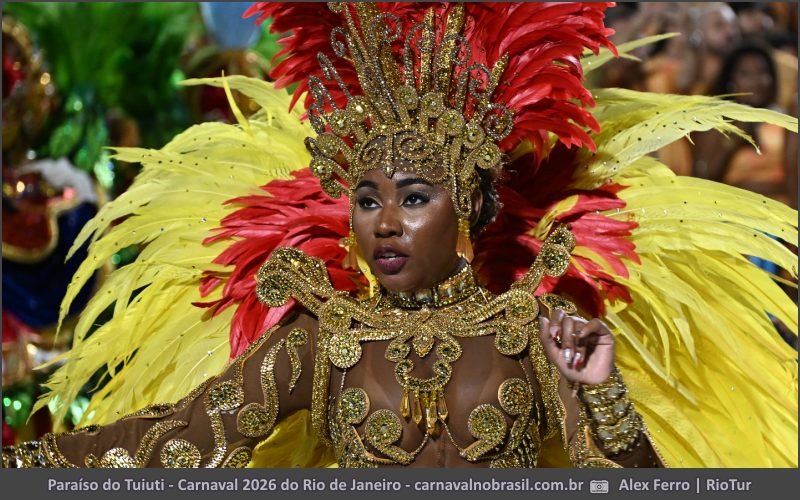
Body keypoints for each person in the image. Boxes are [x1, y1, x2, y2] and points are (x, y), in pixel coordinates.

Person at [3, 2, 796, 468]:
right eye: (367, 199)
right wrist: (30, 464)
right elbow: (178, 440)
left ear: (471, 211)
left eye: (414, 198)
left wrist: (603, 396)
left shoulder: (531, 330)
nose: (383, 221)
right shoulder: (324, 339)